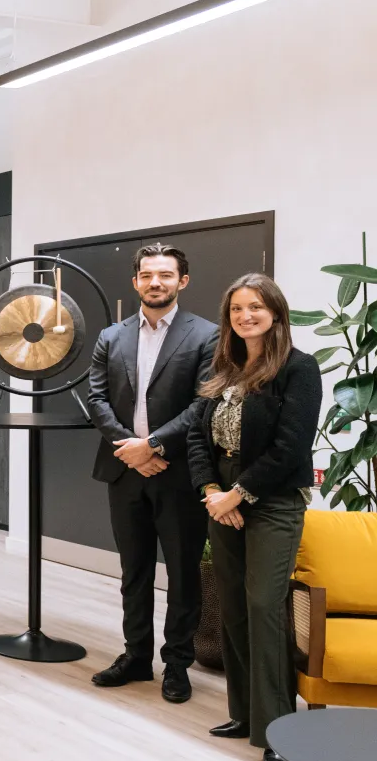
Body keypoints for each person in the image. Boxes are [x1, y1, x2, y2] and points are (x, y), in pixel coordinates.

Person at [188, 273, 319, 761]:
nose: (246, 316)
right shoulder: (223, 369)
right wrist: (211, 494)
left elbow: (291, 448)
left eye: (256, 307)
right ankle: (242, 713)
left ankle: (277, 732)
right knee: (235, 608)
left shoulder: (298, 369)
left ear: (276, 312)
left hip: (272, 500)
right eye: (237, 308)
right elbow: (199, 438)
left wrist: (238, 494)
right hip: (221, 497)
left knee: (265, 605)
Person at [87, 244, 219, 704]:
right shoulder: (111, 336)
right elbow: (97, 399)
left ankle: (177, 664)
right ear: (136, 281)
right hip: (125, 471)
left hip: (177, 471)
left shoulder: (207, 336)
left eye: (165, 275)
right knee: (134, 571)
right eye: (147, 275)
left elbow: (204, 405)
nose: (155, 282)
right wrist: (132, 450)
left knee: (183, 574)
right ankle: (136, 656)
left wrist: (154, 446)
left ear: (182, 280)